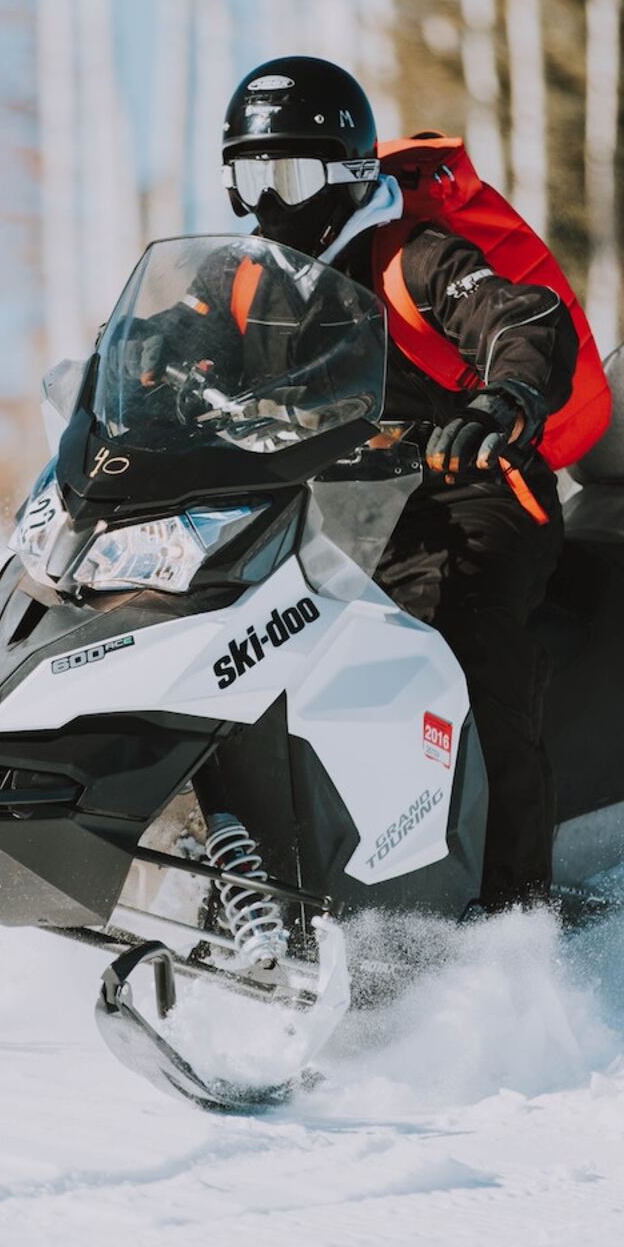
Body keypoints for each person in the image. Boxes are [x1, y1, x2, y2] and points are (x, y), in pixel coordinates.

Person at [213, 54, 582, 910]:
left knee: (459, 643)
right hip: (333, 512)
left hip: (472, 497)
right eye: (249, 176)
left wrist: (504, 398)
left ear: (344, 175)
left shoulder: (412, 255)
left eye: (290, 176)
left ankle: (509, 905)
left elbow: (518, 317)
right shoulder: (245, 279)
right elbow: (172, 339)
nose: (269, 202)